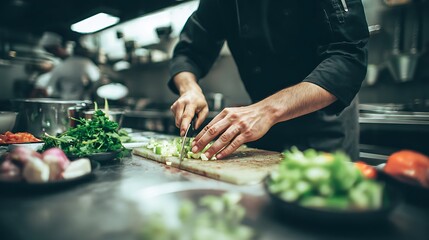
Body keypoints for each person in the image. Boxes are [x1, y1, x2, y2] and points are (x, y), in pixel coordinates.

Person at [168, 0, 369, 160]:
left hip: (323, 129)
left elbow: (347, 57)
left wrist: (266, 110)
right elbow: (189, 52)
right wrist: (189, 89)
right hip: (261, 129)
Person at [36, 32, 101, 100]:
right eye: (50, 51)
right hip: (74, 101)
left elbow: (52, 89)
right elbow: (96, 80)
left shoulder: (83, 63)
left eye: (54, 49)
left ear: (64, 46)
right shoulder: (61, 65)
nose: (53, 53)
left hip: (72, 101)